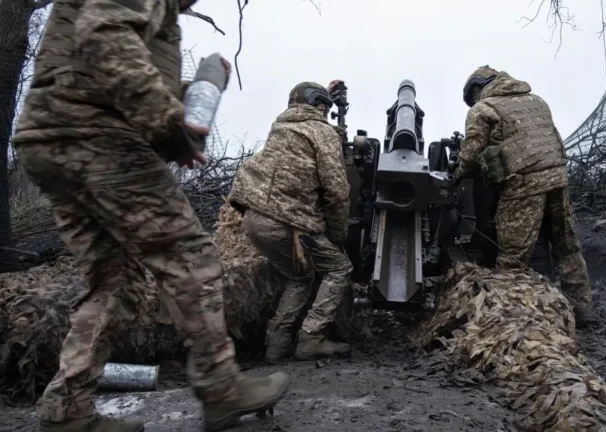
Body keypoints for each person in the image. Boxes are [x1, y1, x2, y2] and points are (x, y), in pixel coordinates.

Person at [12, 1, 290, 431]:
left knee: (113, 280)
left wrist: (187, 95)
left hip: (50, 138)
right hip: (98, 138)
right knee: (190, 255)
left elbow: (107, 62)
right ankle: (221, 388)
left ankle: (68, 409)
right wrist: (166, 125)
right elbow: (104, 33)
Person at [455, 65, 594, 325]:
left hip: (523, 185)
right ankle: (583, 311)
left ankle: (509, 322)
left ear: (477, 89)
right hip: (558, 178)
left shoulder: (483, 109)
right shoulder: (536, 100)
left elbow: (471, 156)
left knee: (512, 257)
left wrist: (458, 173)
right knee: (567, 247)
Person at [228, 81, 354, 364]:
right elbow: (336, 190)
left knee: (300, 277)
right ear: (320, 107)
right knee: (338, 268)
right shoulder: (321, 131)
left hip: (255, 220)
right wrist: (337, 234)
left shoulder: (282, 128)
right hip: (288, 222)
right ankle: (311, 337)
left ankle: (276, 344)